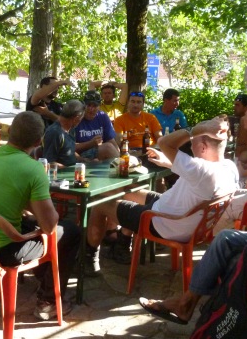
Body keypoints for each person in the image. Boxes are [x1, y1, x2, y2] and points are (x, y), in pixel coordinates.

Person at [84, 117, 238, 274]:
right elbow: (196, 175)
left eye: (193, 142)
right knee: (127, 190)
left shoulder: (202, 171)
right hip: (182, 220)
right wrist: (169, 162)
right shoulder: (229, 167)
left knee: (99, 204)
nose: (190, 146)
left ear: (203, 147)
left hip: (162, 222)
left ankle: (89, 259)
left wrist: (195, 130)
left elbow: (164, 142)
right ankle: (122, 246)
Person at [0, 111, 80, 320]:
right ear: (38, 142)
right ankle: (48, 302)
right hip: (4, 250)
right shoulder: (33, 168)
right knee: (70, 231)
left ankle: (43, 277)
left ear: (10, 132)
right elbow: (49, 226)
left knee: (31, 222)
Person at [73, 90, 120, 161]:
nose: (91, 109)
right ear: (84, 105)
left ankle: (121, 164)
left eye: (94, 106)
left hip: (99, 155)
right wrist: (90, 144)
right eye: (89, 105)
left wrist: (119, 153)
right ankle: (121, 165)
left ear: (99, 106)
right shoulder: (77, 118)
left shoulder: (102, 116)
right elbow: (69, 147)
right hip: (80, 156)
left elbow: (111, 140)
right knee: (107, 148)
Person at [42, 99, 85, 167]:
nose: (80, 122)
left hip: (74, 169)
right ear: (76, 118)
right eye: (80, 120)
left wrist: (83, 160)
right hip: (62, 172)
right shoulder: (55, 132)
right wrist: (65, 168)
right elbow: (48, 162)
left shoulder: (71, 129)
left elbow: (69, 150)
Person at [229, 93, 247, 162]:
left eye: (237, 105)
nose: (234, 107)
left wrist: (241, 148)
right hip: (233, 158)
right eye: (234, 105)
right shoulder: (231, 119)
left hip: (246, 159)